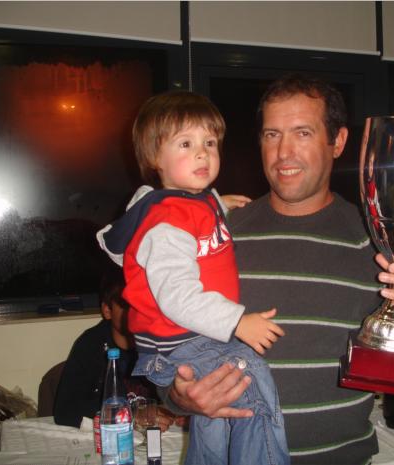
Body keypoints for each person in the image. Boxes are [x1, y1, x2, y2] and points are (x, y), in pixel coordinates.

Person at [164, 74, 394, 465]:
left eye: (302, 133)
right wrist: (178, 395)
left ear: (338, 141)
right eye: (272, 135)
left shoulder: (377, 243)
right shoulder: (217, 235)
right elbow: (166, 340)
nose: (283, 153)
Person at [97, 91, 290, 465]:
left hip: (187, 340)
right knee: (252, 383)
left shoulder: (190, 205)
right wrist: (237, 322)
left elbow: (194, 223)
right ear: (155, 157)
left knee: (214, 418)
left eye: (210, 143)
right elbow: (177, 296)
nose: (203, 153)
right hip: (185, 339)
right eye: (186, 144)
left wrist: (217, 204)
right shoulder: (167, 223)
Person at [53, 265, 182, 431]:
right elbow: (64, 411)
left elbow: (179, 395)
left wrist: (183, 409)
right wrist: (132, 414)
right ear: (107, 310)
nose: (135, 313)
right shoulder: (91, 344)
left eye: (142, 305)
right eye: (126, 305)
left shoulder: (162, 341)